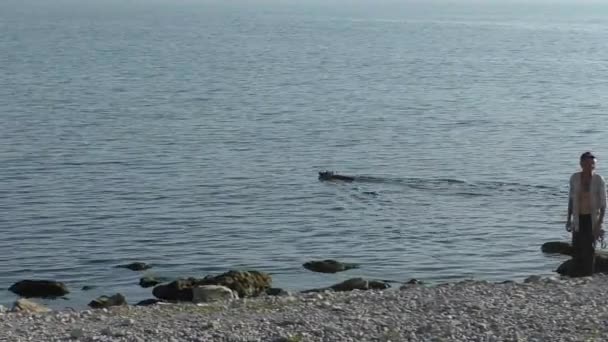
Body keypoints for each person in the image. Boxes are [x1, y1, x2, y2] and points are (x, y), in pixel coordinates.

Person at [566, 152, 607, 277]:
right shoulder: (574, 178)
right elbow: (571, 199)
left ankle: (588, 274)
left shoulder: (599, 179)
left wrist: (599, 225)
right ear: (581, 163)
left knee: (589, 247)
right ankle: (575, 274)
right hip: (578, 217)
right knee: (577, 245)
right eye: (588, 164)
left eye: (593, 164)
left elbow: (604, 204)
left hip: (592, 218)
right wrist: (568, 219)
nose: (591, 166)